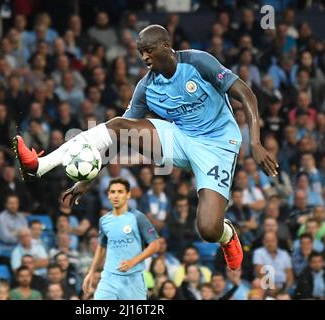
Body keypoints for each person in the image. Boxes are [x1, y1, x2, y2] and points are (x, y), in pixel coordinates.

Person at [14, 24, 279, 271]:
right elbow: (117, 137)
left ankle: (227, 234)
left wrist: (255, 140)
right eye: (141, 53)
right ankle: (40, 165)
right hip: (181, 137)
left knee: (208, 229)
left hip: (218, 144)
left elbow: (246, 93)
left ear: (166, 46)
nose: (145, 58)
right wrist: (89, 177)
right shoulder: (147, 87)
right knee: (119, 125)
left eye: (149, 51)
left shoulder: (198, 62)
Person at [82, 178, 160, 300]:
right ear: (108, 195)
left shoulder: (138, 217)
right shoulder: (104, 220)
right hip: (109, 277)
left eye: (120, 192)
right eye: (112, 192)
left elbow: (155, 245)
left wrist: (133, 261)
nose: (116, 196)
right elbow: (102, 246)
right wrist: (91, 271)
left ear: (128, 195)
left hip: (133, 279)